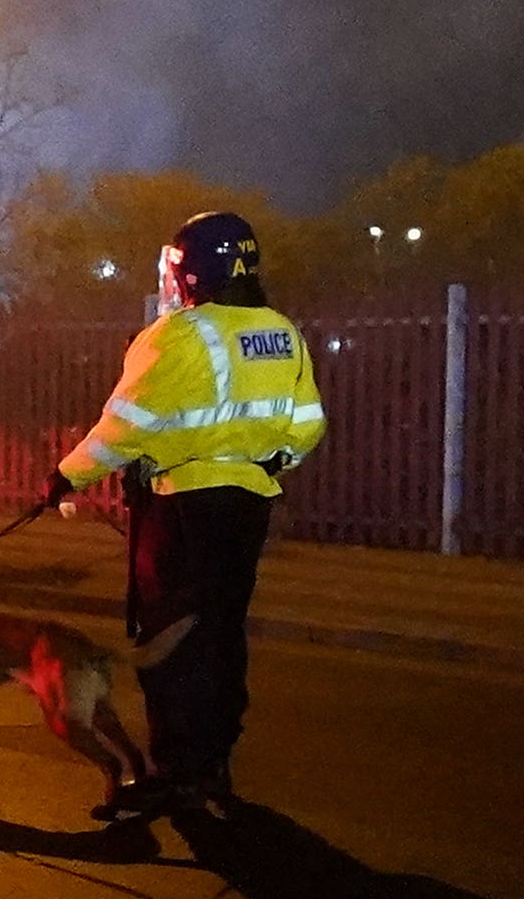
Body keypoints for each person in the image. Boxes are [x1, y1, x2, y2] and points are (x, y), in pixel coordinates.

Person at [40, 208, 322, 816]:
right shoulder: (281, 331)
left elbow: (124, 428)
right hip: (247, 507)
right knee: (221, 633)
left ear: (192, 273)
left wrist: (67, 474)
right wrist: (269, 465)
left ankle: (176, 768)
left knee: (169, 637)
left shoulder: (177, 336)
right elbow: (306, 425)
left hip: (180, 510)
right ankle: (213, 759)